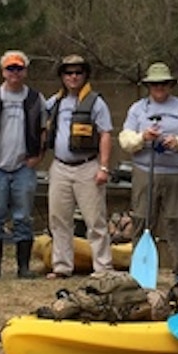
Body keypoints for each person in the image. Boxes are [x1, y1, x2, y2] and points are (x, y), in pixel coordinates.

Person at [118, 62, 178, 290]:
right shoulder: (138, 109)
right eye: (155, 84)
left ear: (170, 85)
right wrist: (143, 137)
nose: (160, 87)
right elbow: (125, 140)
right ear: (149, 86)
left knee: (177, 222)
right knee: (142, 220)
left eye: (164, 84)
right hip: (144, 174)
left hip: (177, 175)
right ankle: (140, 270)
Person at [0, 50, 45, 280]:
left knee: (23, 217)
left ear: (25, 71)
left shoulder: (35, 98)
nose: (15, 72)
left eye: (19, 68)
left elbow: (44, 129)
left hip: (24, 167)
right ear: (3, 71)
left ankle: (23, 267)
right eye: (10, 68)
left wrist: (38, 156)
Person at [43, 54, 115, 279]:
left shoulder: (96, 102)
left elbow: (105, 134)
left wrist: (103, 168)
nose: (73, 77)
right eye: (68, 73)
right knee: (59, 219)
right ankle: (62, 266)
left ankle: (103, 268)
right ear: (62, 76)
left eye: (78, 72)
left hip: (87, 167)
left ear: (85, 75)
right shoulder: (54, 102)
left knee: (95, 221)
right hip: (60, 167)